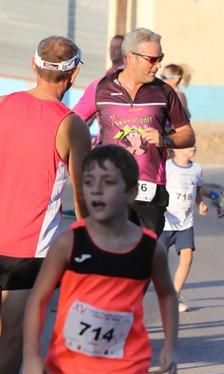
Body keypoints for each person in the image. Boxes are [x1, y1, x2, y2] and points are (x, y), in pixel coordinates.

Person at [22, 145, 178, 374]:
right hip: (71, 371)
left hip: (125, 365)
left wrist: (169, 348)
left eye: (107, 182)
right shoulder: (69, 243)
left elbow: (166, 294)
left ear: (132, 192)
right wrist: (31, 357)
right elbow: (38, 297)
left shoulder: (149, 249)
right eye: (89, 181)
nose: (96, 189)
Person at [0, 35, 91, 374]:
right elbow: (84, 195)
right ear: (73, 74)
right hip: (26, 248)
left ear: (32, 65)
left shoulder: (4, 105)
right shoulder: (71, 123)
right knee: (11, 341)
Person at [74, 28, 196, 236]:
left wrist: (165, 140)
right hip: (109, 185)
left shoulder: (164, 91)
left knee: (143, 260)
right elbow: (73, 125)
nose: (158, 65)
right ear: (131, 58)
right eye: (153, 59)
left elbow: (188, 134)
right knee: (110, 256)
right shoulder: (100, 88)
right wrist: (85, 158)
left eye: (161, 58)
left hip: (149, 190)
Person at [159, 146, 224, 312]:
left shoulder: (196, 168)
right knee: (158, 263)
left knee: (187, 258)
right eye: (188, 144)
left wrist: (201, 203)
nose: (193, 147)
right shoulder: (166, 167)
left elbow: (196, 190)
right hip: (165, 222)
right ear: (175, 148)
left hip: (185, 223)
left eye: (194, 143)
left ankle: (175, 295)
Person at [159, 63, 224, 217]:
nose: (161, 79)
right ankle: (216, 195)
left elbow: (178, 122)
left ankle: (215, 196)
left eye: (164, 77)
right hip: (169, 143)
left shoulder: (178, 95)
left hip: (175, 144)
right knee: (180, 180)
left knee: (180, 178)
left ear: (176, 79)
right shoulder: (170, 94)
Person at [73, 34, 124, 127]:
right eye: (111, 47)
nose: (113, 51)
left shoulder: (126, 78)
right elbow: (79, 118)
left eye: (117, 48)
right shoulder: (100, 83)